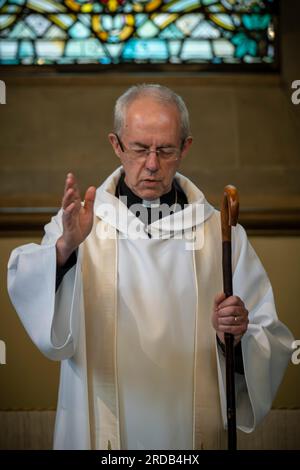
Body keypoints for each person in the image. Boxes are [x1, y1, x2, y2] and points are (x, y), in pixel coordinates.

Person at [7, 84, 293, 450]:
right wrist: (63, 250)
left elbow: (268, 336)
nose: (153, 164)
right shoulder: (78, 226)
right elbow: (38, 304)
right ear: (116, 145)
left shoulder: (222, 234)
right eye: (140, 149)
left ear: (185, 147)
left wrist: (236, 336)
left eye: (166, 150)